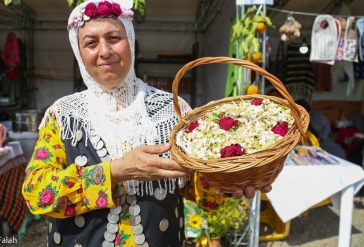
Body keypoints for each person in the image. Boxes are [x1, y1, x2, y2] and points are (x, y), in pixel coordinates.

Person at [21, 1, 271, 246]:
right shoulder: (63, 115)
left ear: (131, 41)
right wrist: (116, 171)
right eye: (91, 43)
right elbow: (37, 193)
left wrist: (228, 182)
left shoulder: (172, 110)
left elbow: (197, 188)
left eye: (114, 38)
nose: (105, 50)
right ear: (79, 52)